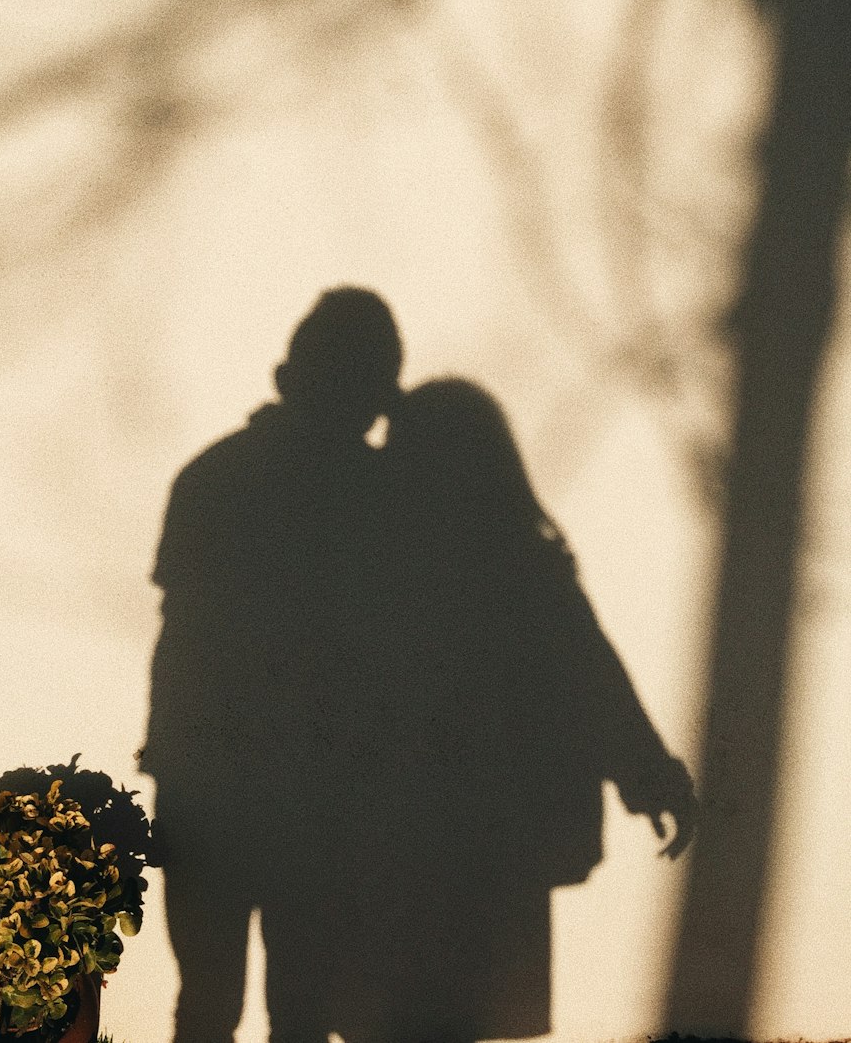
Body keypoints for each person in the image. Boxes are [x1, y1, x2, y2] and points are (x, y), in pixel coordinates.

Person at [353, 376, 698, 1042]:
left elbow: (593, 680)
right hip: (495, 849)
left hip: (401, 852)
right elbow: (595, 680)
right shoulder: (526, 568)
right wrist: (652, 776)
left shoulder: (377, 573)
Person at [143, 288, 403, 1043]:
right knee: (304, 1006)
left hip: (210, 783)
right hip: (328, 795)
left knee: (209, 1001)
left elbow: (181, 636)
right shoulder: (387, 499)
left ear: (287, 376)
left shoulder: (211, 477)